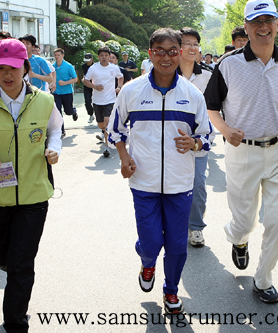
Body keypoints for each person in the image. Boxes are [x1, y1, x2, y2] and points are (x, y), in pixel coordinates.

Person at [204, 0, 278, 304]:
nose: (263, 27)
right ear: (245, 26)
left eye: (268, 20)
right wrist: (226, 131)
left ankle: (263, 278)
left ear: (277, 25)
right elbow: (212, 107)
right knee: (244, 221)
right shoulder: (228, 64)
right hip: (243, 152)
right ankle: (238, 239)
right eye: (256, 21)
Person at [108, 27, 211, 315]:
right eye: (159, 51)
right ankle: (148, 262)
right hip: (143, 181)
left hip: (180, 183)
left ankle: (171, 290)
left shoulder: (193, 95)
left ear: (180, 53)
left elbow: (208, 137)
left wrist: (194, 142)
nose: (166, 57)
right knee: (152, 241)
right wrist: (124, 156)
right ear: (150, 53)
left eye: (172, 51)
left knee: (178, 244)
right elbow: (115, 130)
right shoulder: (131, 91)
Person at [0, 39, 62, 332]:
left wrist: (53, 148)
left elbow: (55, 131)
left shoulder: (44, 101)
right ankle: (8, 261)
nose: (7, 75)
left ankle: (15, 322)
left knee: (21, 264)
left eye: (13, 68)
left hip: (34, 194)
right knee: (0, 251)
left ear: (25, 68)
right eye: (1, 69)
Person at [177, 27, 214, 247]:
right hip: (174, 142)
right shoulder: (168, 74)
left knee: (198, 185)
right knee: (174, 187)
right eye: (186, 43)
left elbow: (218, 106)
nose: (192, 47)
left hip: (200, 142)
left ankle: (196, 227)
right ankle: (175, 226)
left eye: (195, 44)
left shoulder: (208, 76)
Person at [83, 46, 123, 158]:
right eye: (102, 55)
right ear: (98, 56)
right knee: (101, 125)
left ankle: (107, 146)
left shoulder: (114, 68)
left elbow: (121, 77)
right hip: (97, 101)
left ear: (109, 56)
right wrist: (94, 86)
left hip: (110, 100)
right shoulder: (93, 68)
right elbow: (85, 81)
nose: (104, 57)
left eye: (106, 55)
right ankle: (109, 134)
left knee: (107, 122)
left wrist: (119, 87)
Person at [52, 48, 78, 138]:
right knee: (58, 112)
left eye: (58, 55)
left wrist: (65, 83)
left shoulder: (68, 66)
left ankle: (73, 111)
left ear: (63, 55)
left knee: (68, 111)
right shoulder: (52, 66)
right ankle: (61, 130)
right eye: (55, 55)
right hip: (56, 93)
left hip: (67, 92)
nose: (57, 57)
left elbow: (75, 79)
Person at [82, 53, 95, 123]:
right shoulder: (84, 66)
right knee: (87, 101)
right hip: (87, 86)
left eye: (88, 60)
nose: (87, 62)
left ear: (92, 59)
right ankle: (91, 115)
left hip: (94, 86)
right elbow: (84, 75)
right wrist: (83, 79)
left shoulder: (95, 66)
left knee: (96, 102)